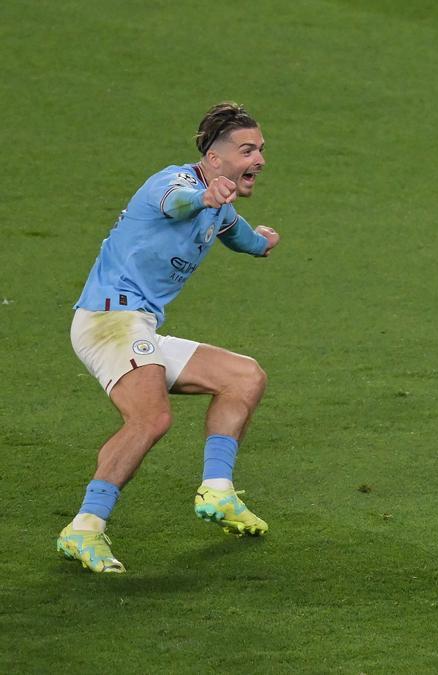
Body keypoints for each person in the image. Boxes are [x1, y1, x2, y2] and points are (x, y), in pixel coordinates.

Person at [57, 102, 281, 574]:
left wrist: (262, 242)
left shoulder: (218, 208)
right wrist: (204, 198)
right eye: (247, 150)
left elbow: (237, 235)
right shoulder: (174, 184)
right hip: (108, 318)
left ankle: (217, 492)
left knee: (244, 376)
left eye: (260, 149)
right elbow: (177, 203)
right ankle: (84, 527)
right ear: (214, 160)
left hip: (137, 325)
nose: (259, 158)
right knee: (151, 419)